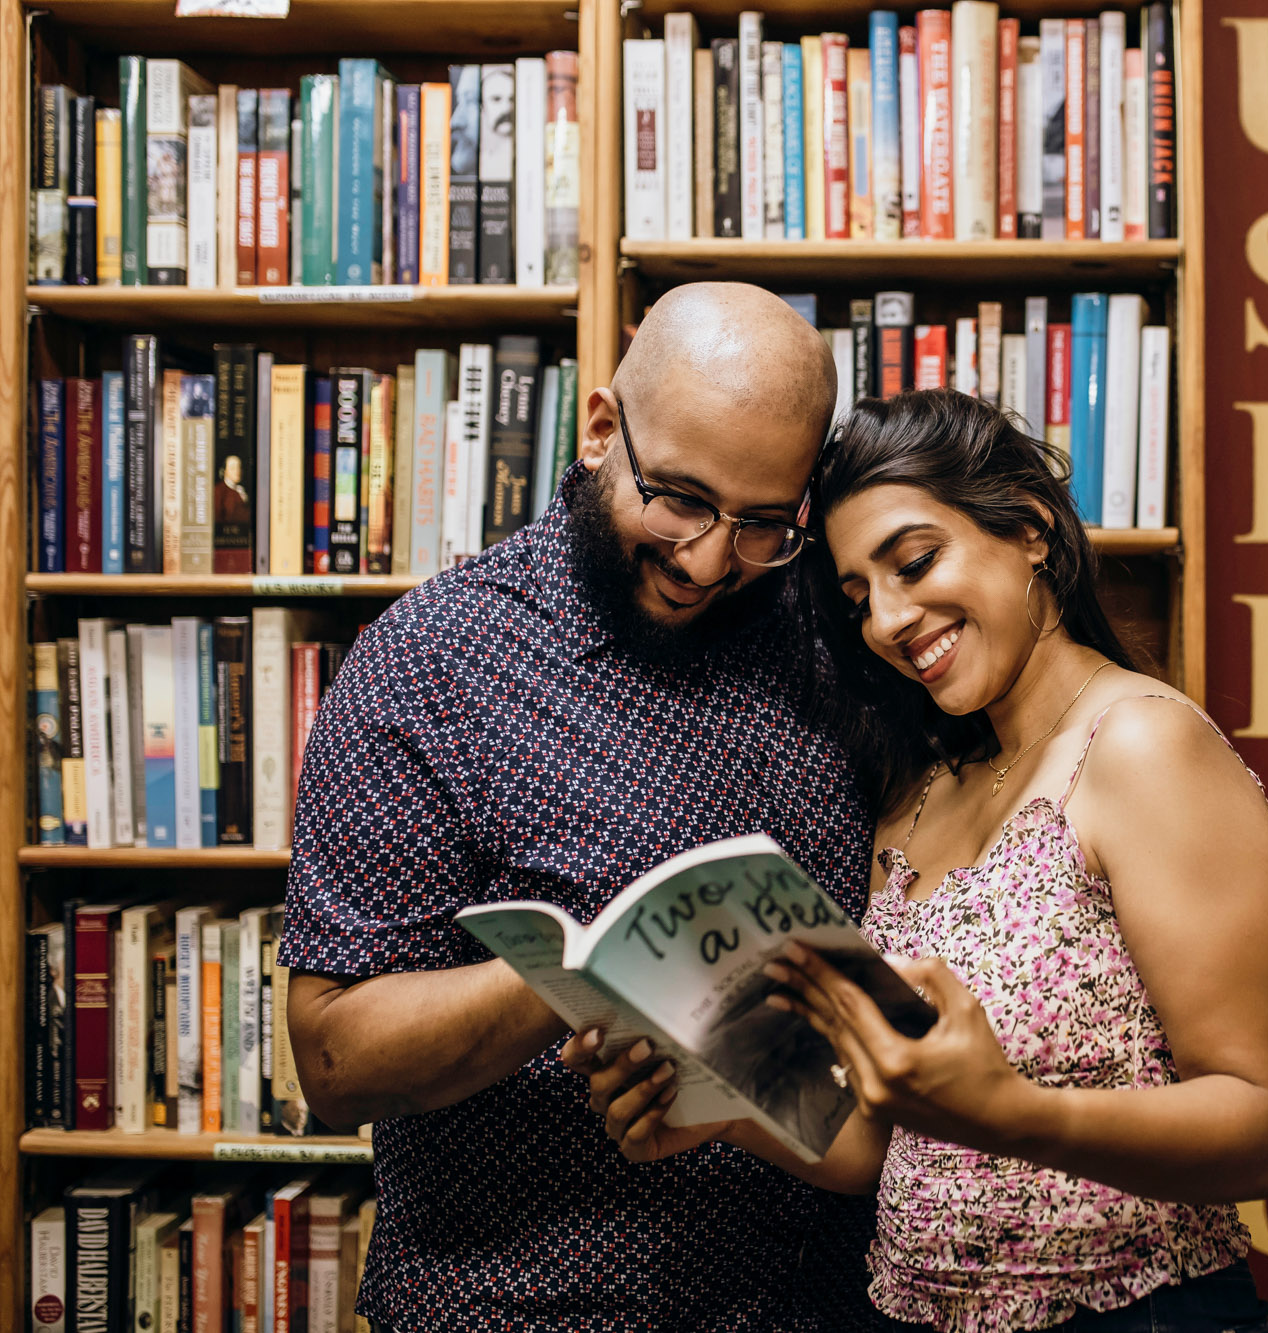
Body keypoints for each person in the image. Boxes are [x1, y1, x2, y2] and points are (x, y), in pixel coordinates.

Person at [573, 390, 1268, 1333]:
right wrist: (719, 1114)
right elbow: (884, 1146)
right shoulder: (916, 793)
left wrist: (1013, 1112)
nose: (887, 619)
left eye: (915, 562)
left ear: (1031, 528)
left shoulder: (1141, 747)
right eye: (857, 599)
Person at [280, 283, 892, 1332]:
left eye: (758, 523)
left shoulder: (839, 634)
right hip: (525, 1308)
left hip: (825, 1303)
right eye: (681, 499)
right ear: (602, 427)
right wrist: (584, 973)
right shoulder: (433, 666)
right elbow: (335, 1057)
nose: (707, 562)